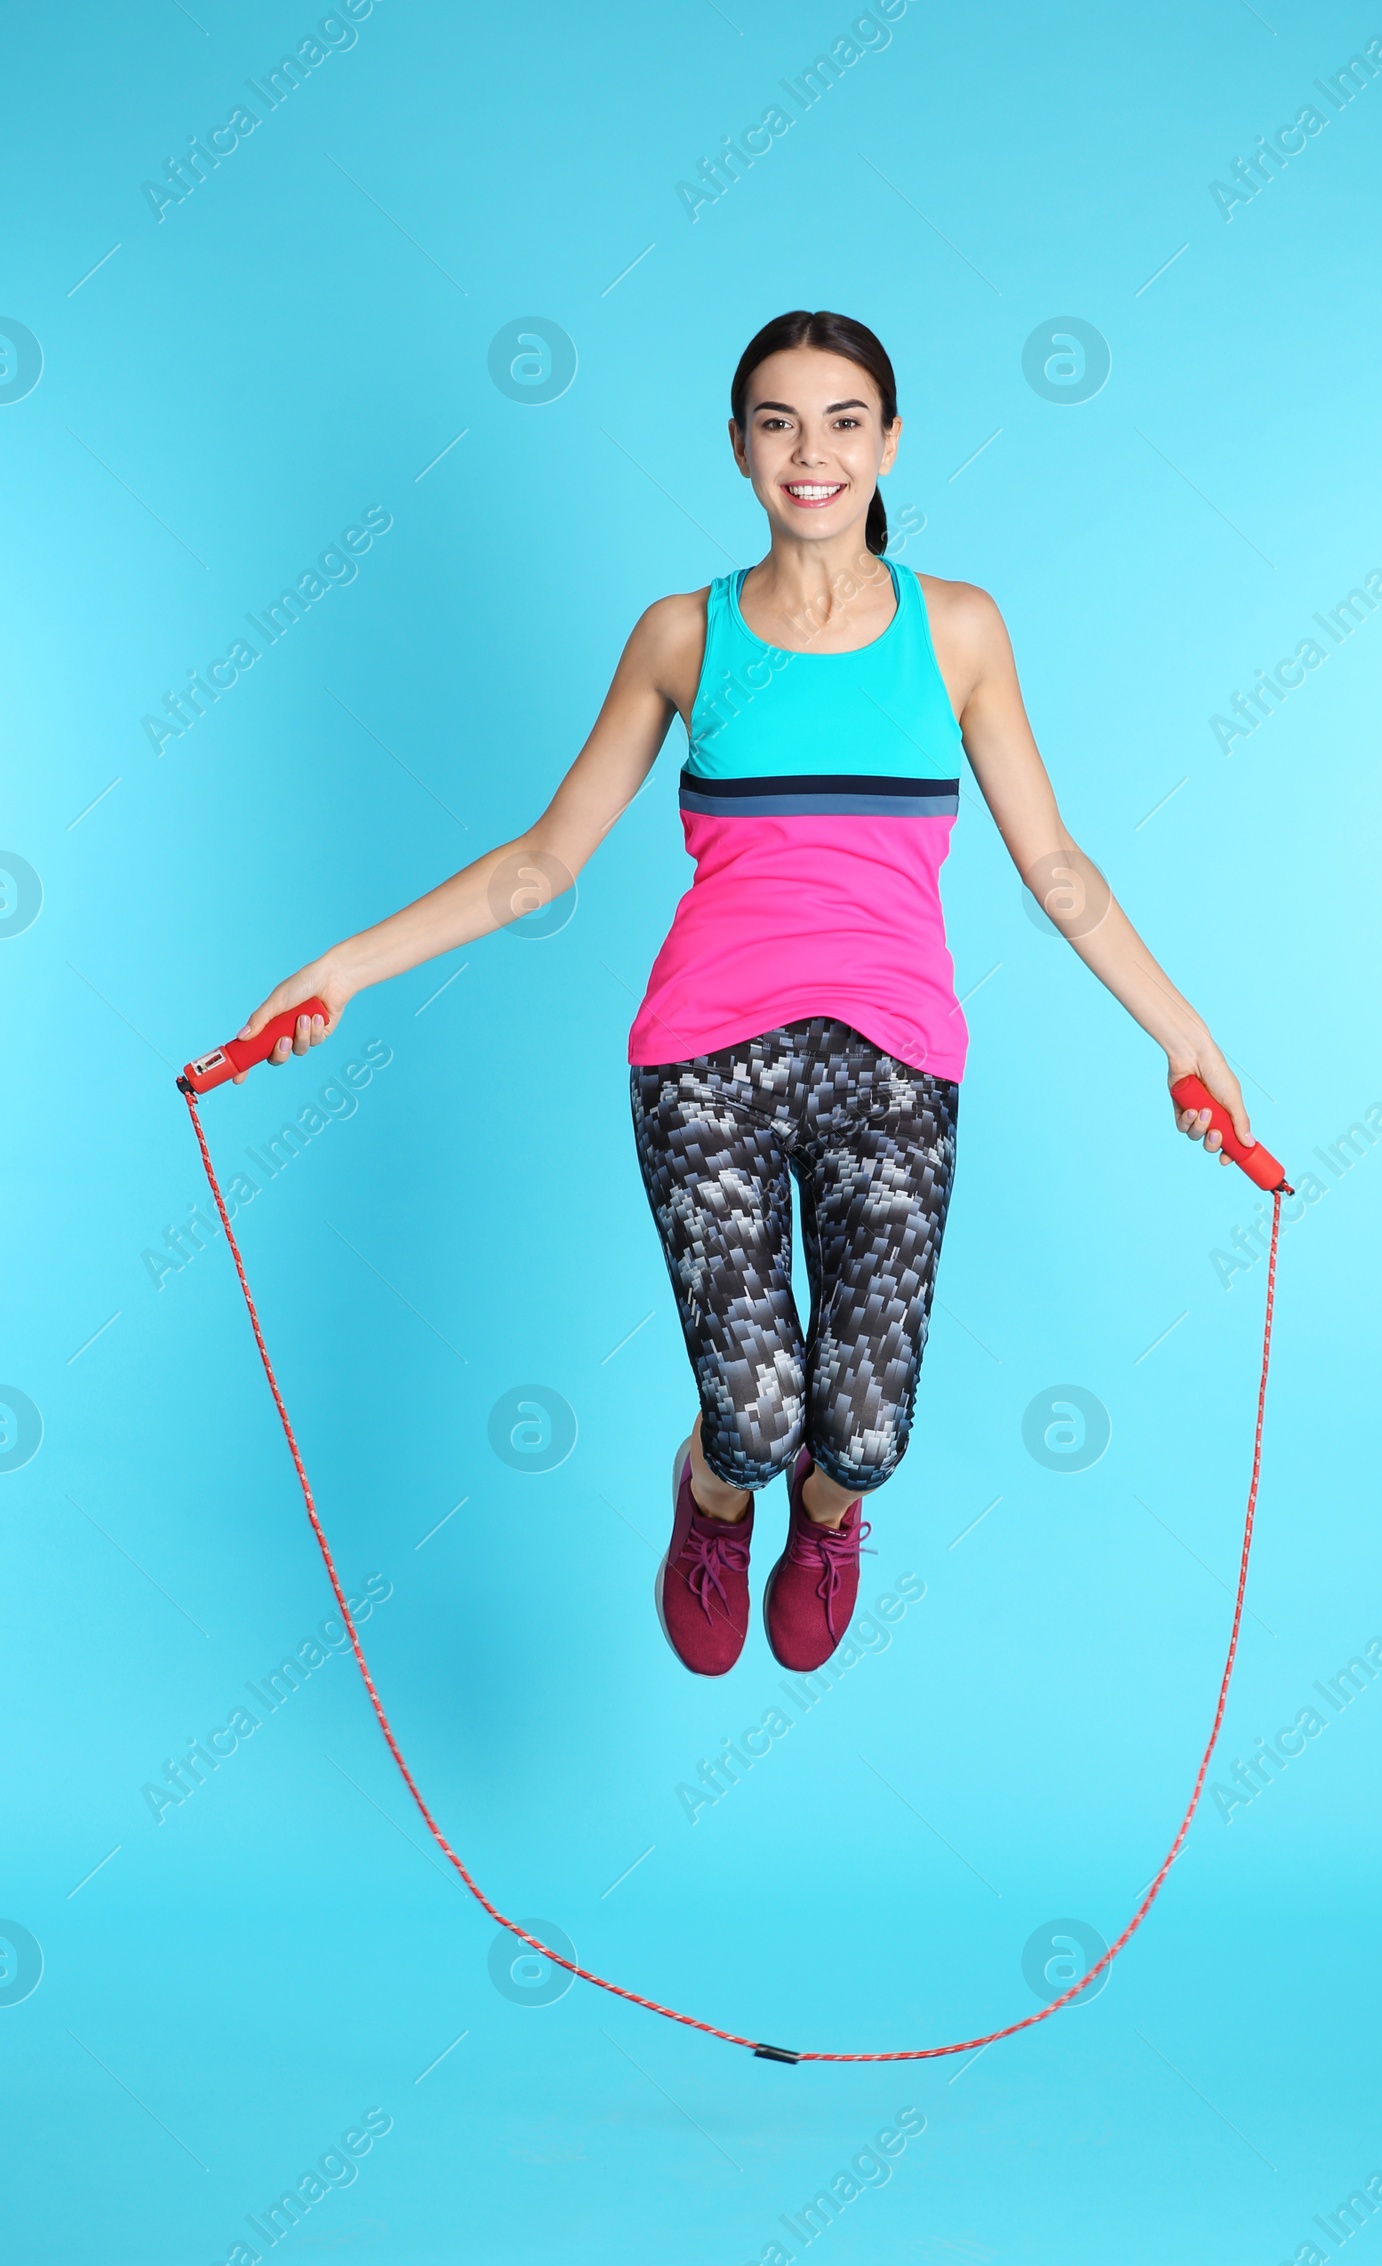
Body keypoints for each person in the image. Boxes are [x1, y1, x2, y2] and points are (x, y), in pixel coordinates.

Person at [236, 309, 1253, 1683]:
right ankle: (714, 1505)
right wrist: (343, 967)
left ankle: (823, 1526)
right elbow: (542, 863)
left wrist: (1185, 1039)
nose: (811, 452)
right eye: (777, 422)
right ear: (738, 448)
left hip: (895, 1057)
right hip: (705, 1053)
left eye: (844, 421)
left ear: (889, 442)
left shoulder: (957, 632)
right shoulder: (683, 636)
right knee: (759, 1418)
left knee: (864, 1436)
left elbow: (1056, 867)